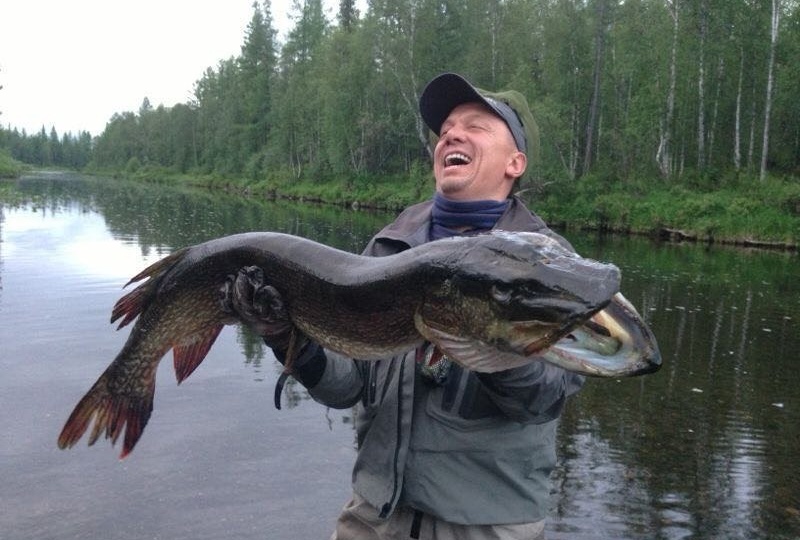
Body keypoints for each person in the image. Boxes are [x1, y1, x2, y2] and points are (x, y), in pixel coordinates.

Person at [224, 73, 584, 539]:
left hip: (484, 526)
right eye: (447, 128)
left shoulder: (549, 264)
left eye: (475, 126)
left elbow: (542, 399)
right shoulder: (392, 246)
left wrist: (485, 335)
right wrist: (288, 339)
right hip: (375, 515)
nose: (451, 134)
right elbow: (349, 385)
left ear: (515, 162)